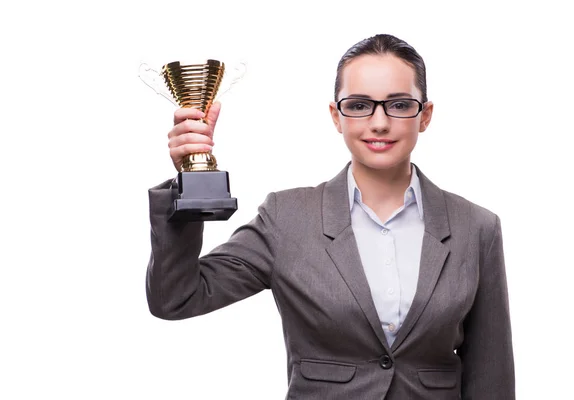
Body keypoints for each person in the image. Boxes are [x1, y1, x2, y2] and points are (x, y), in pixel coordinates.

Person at [146, 33, 515, 399]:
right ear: (336, 116)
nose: (380, 122)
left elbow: (491, 376)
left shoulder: (476, 228)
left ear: (425, 115)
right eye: (359, 105)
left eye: (400, 105)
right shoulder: (287, 219)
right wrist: (191, 180)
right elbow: (176, 298)